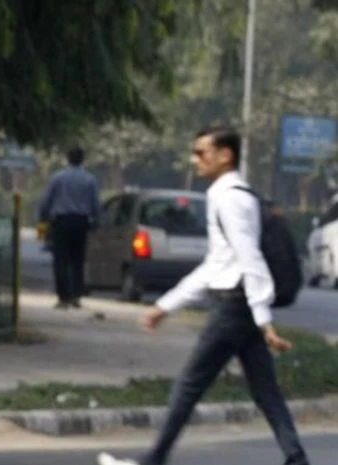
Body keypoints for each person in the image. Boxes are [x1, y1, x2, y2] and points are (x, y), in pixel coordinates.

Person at [97, 126, 310, 465]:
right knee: (265, 390)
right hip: (238, 302)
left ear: (225, 155)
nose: (194, 159)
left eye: (201, 152)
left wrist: (263, 317)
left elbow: (248, 258)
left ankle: (152, 460)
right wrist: (167, 305)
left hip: (234, 305)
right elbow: (217, 263)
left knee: (188, 385)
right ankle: (297, 460)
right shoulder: (232, 194)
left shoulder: (230, 198)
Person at [37, 147, 100, 309]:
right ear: (82, 160)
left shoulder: (58, 178)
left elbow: (47, 201)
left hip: (61, 222)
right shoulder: (89, 179)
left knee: (60, 260)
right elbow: (95, 205)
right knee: (78, 260)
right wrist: (96, 222)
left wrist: (42, 218)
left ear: (68, 159)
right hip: (81, 222)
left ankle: (63, 297)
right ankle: (76, 296)